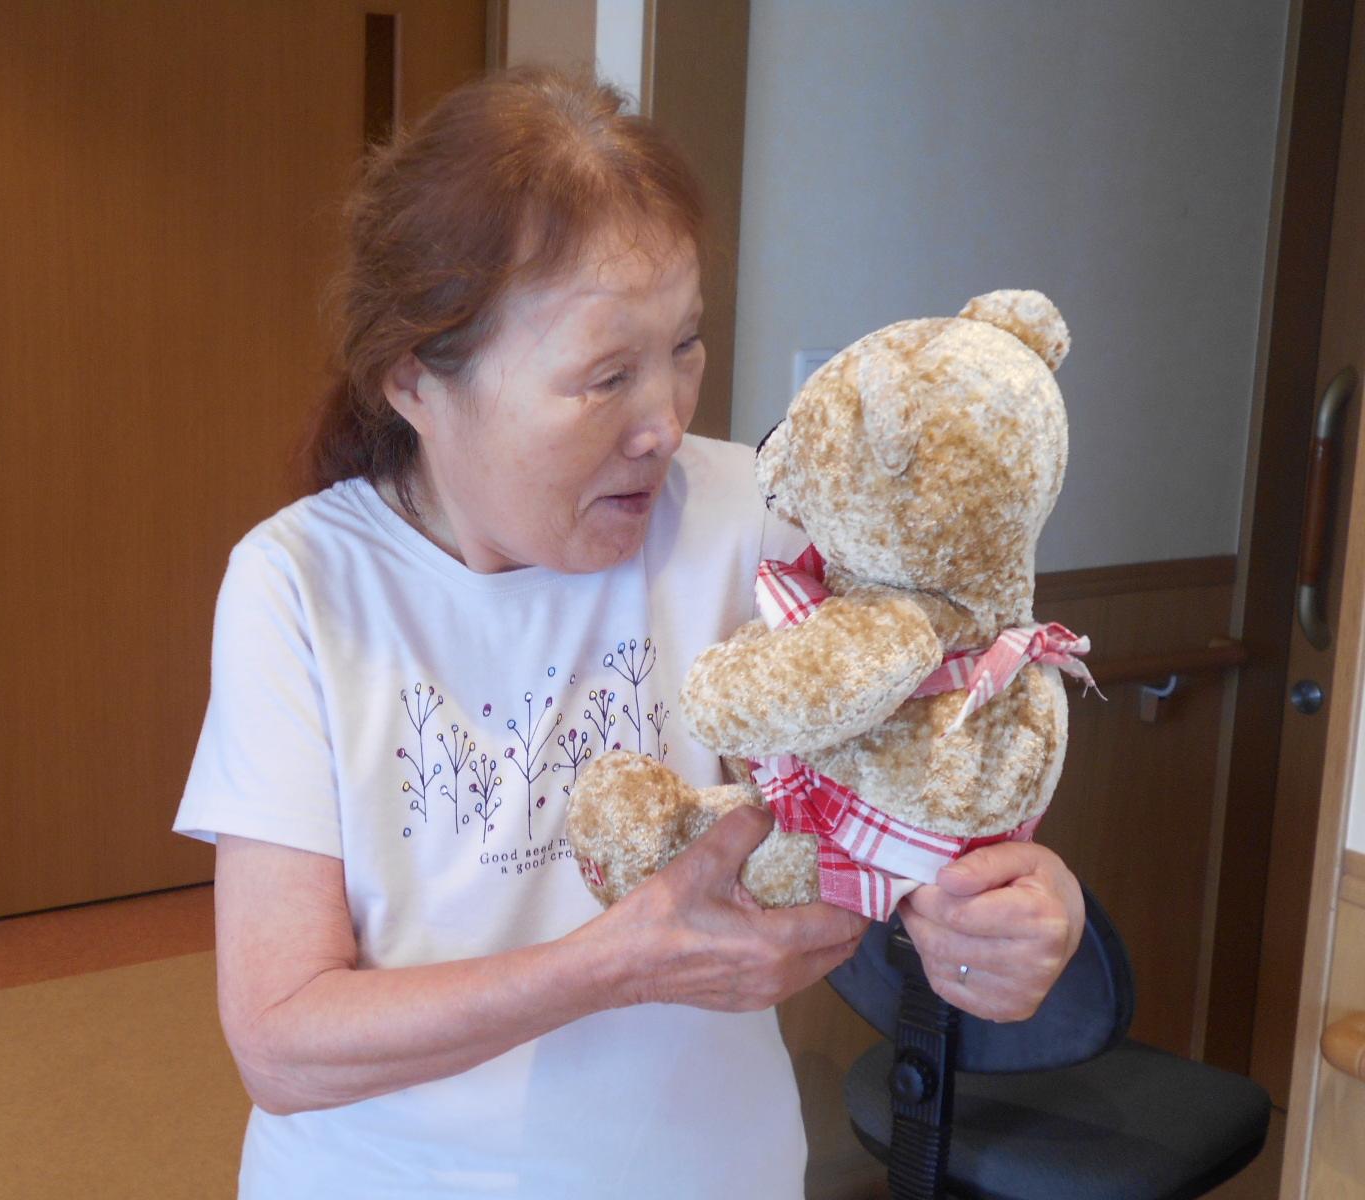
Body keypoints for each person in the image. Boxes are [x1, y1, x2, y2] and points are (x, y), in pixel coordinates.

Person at [173, 67, 1084, 1198]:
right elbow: (282, 1043)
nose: (663, 423)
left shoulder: (759, 517)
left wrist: (1011, 910)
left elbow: (929, 792)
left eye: (684, 347)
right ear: (415, 379)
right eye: (605, 377)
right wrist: (611, 967)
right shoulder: (302, 586)